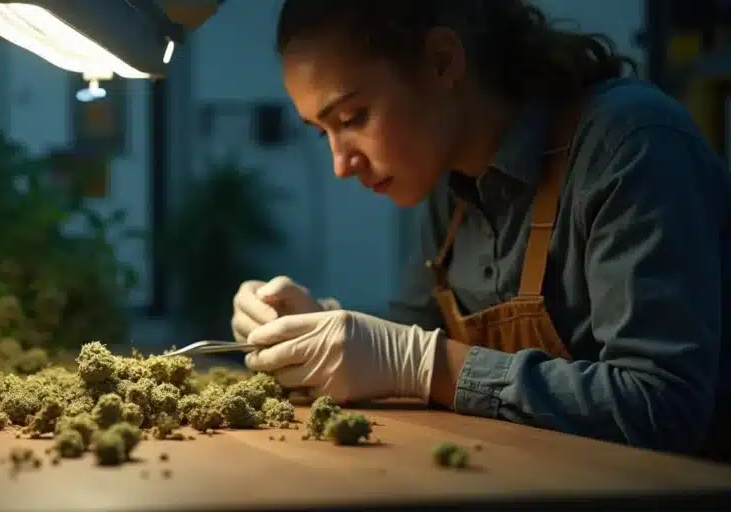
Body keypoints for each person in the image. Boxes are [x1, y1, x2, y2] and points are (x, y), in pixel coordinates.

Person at [230, 0, 731, 460]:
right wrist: (316, 329)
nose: (341, 165)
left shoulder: (631, 144)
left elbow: (663, 409)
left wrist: (424, 364)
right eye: (323, 133)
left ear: (441, 62)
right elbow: (404, 348)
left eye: (352, 117)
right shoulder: (450, 190)